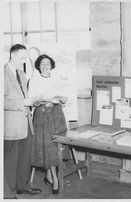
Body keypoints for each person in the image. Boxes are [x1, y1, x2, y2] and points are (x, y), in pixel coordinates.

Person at [4, 44, 42, 199]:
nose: (24, 60)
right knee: (9, 161)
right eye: (22, 57)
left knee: (25, 159)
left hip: (26, 123)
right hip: (10, 126)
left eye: (26, 57)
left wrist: (33, 101)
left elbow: (24, 97)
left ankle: (23, 185)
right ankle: (6, 191)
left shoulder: (22, 73)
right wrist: (23, 103)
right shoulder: (3, 73)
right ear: (12, 55)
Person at [28, 54, 68, 195]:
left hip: (56, 114)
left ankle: (49, 175)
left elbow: (64, 98)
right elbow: (31, 99)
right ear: (38, 66)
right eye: (42, 63)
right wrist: (37, 101)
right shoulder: (34, 79)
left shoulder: (56, 78)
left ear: (51, 65)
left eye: (48, 63)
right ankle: (54, 178)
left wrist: (61, 98)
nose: (45, 65)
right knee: (46, 145)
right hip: (42, 115)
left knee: (55, 144)